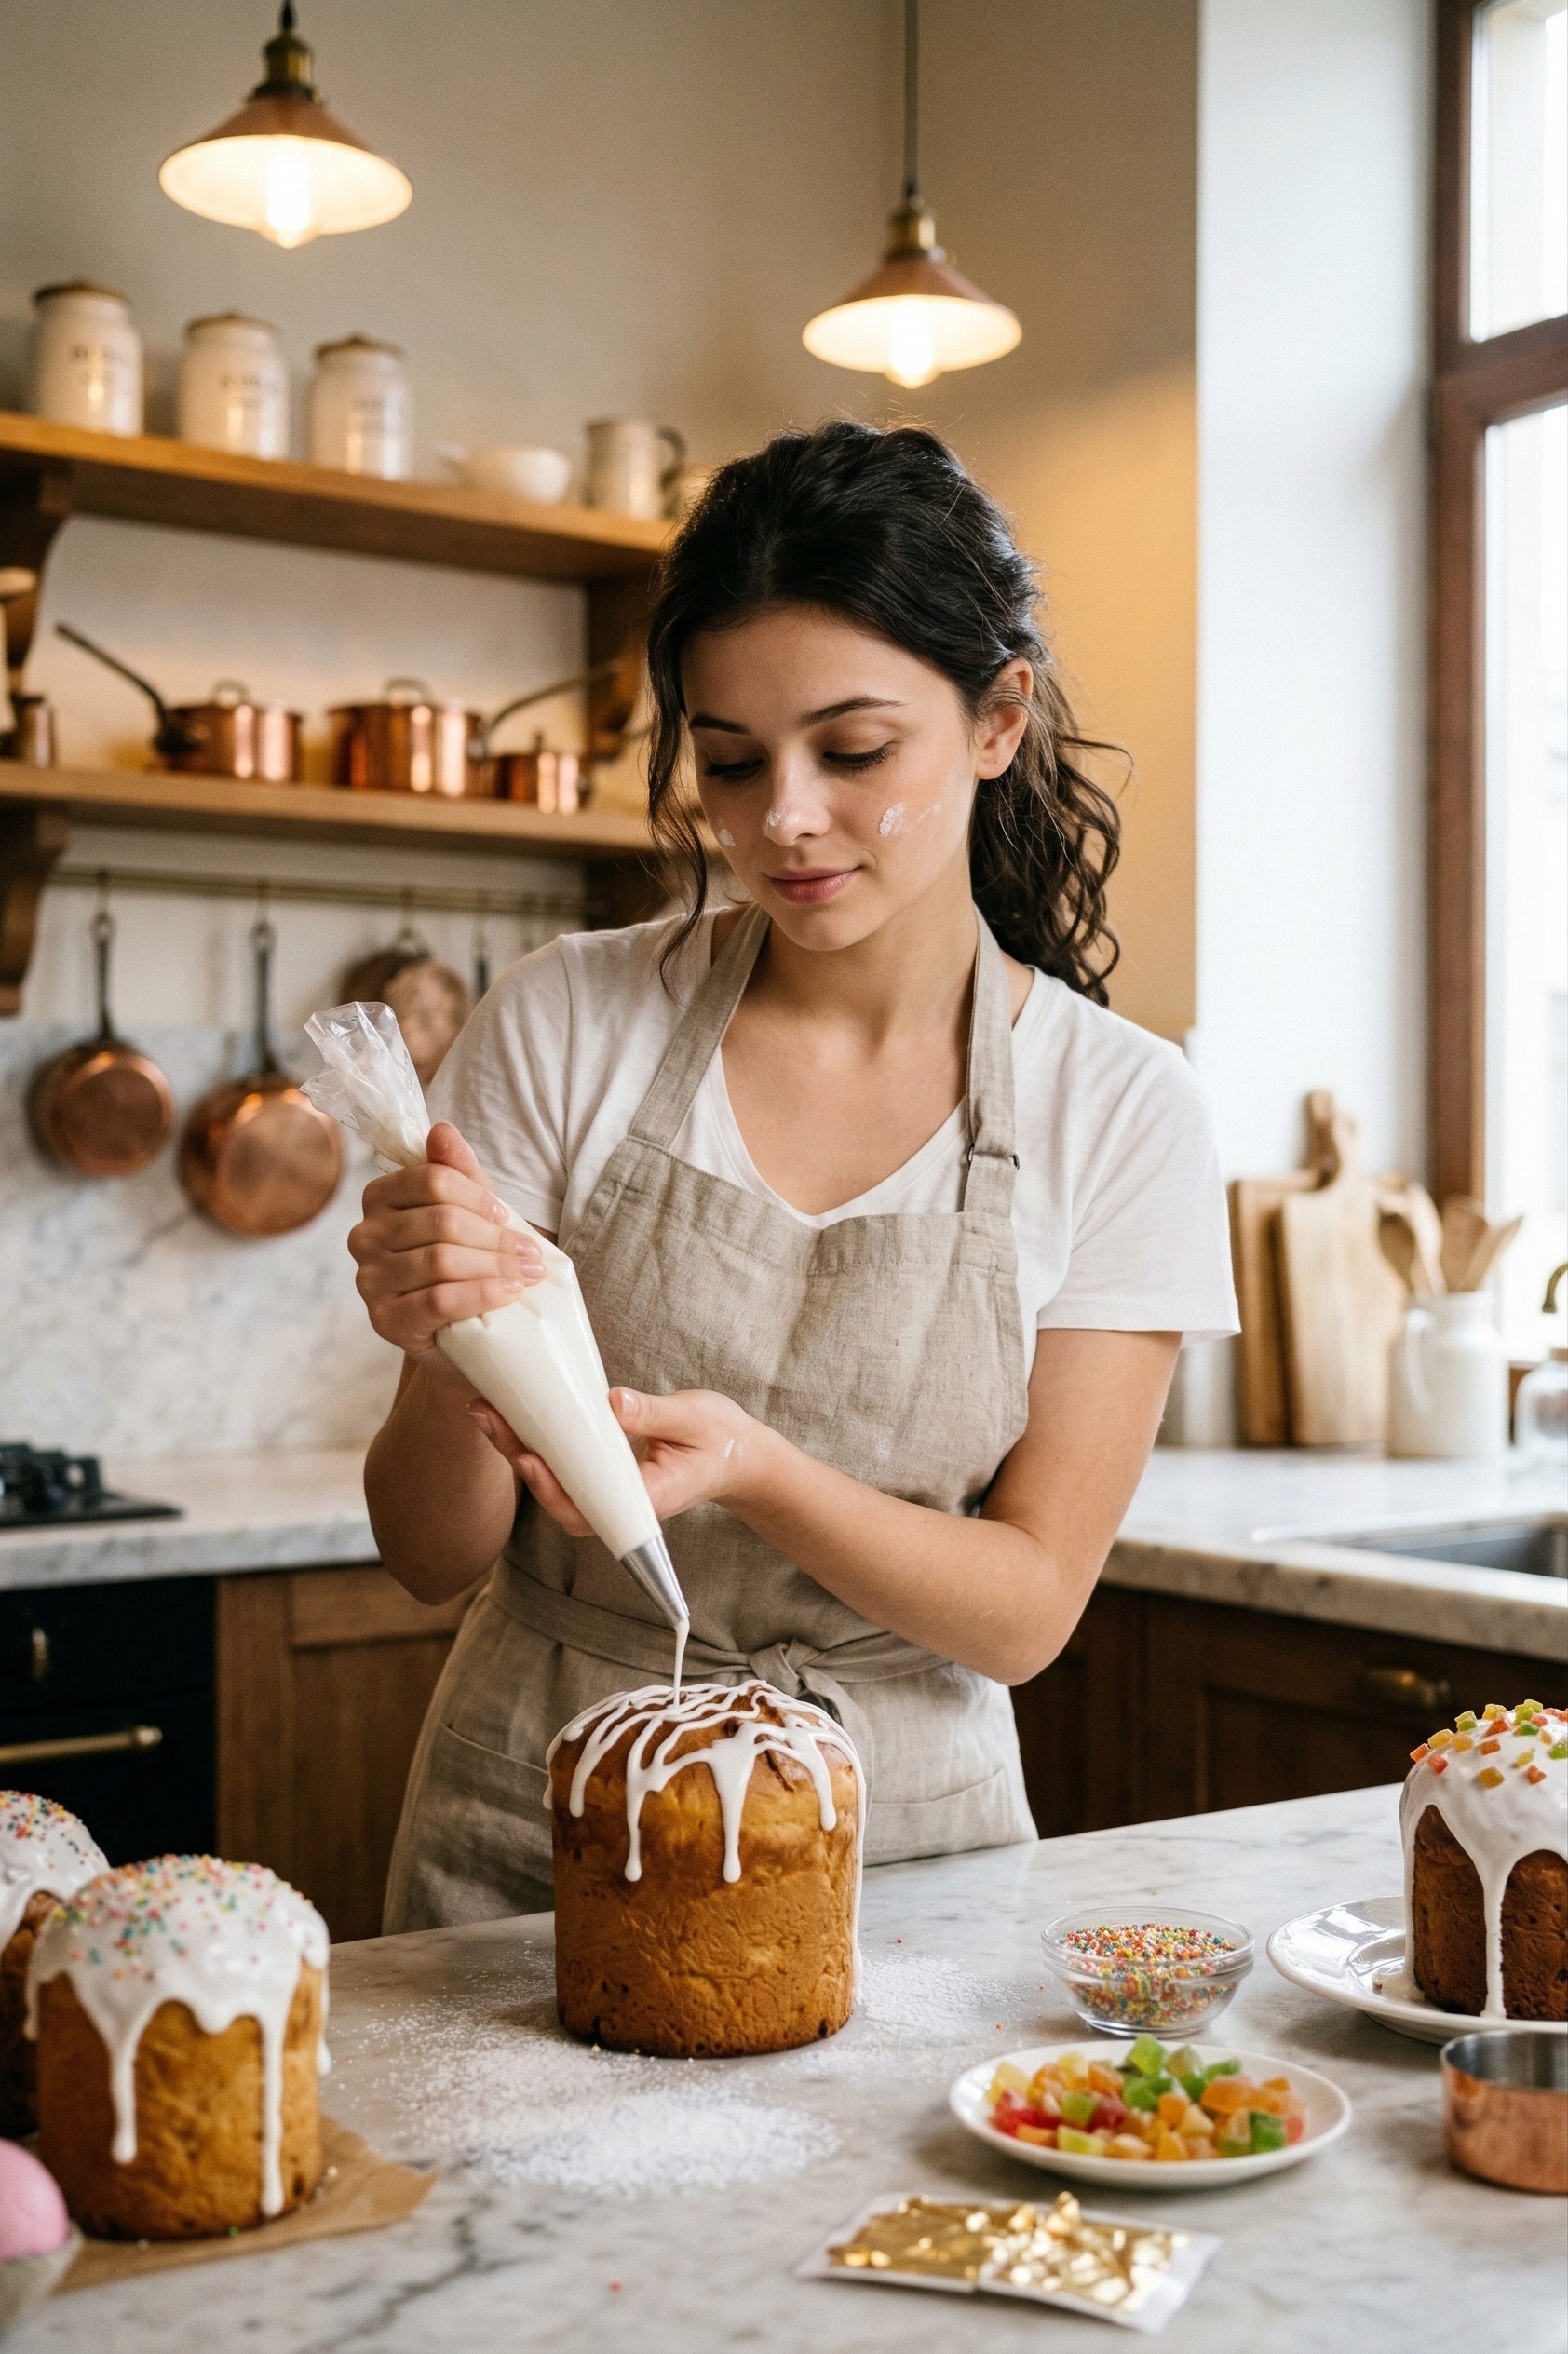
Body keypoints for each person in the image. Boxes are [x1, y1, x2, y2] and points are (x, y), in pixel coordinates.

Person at [349, 421, 1237, 1930]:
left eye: (855, 750)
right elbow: (429, 1556)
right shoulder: (568, 1020)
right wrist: (443, 1345)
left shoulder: (1126, 1105)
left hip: (906, 1854)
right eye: (731, 760)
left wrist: (759, 1471)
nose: (785, 820)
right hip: (545, 1819)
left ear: (1000, 719)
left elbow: (1025, 1613)